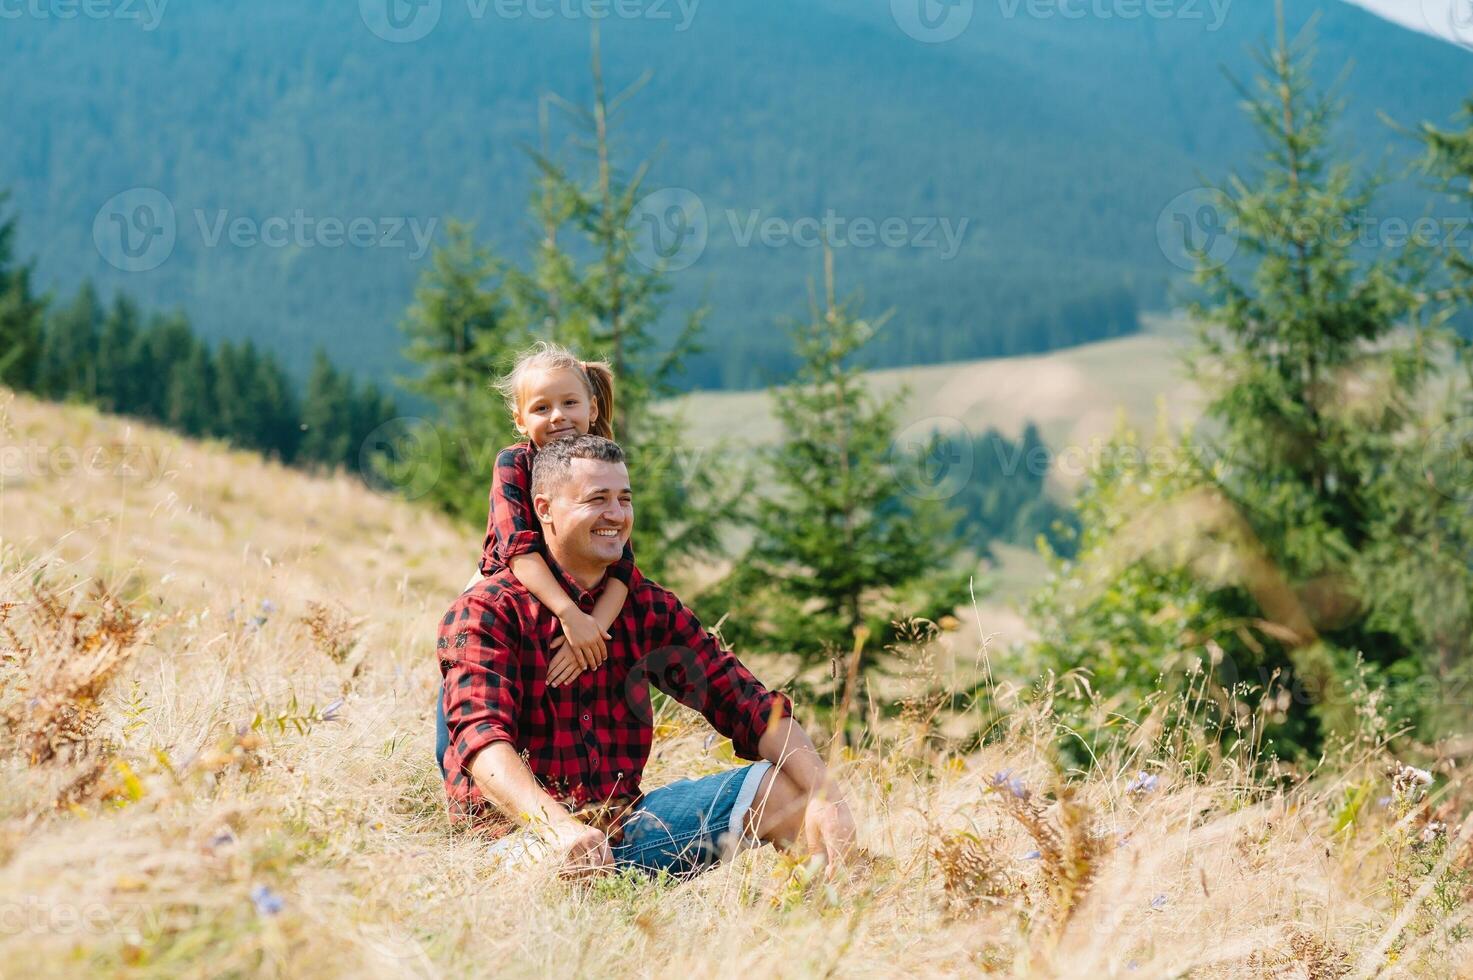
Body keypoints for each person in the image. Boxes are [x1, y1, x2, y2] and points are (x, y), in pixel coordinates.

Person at [436, 435, 857, 878]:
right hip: (522, 840)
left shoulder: (645, 607)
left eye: (624, 498)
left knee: (794, 790)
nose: (616, 515)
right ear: (544, 510)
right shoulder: (488, 610)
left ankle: (831, 914)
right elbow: (482, 741)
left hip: (627, 831)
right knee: (565, 871)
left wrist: (827, 794)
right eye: (596, 499)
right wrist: (558, 829)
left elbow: (748, 704)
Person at [435, 343, 628, 775]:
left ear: (592, 408)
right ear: (520, 419)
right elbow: (519, 550)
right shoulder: (514, 464)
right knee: (464, 714)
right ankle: (472, 792)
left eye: (569, 402)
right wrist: (568, 613)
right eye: (542, 407)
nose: (558, 415)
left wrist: (592, 628)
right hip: (503, 600)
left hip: (579, 611)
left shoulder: (601, 466)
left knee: (547, 710)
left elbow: (622, 568)